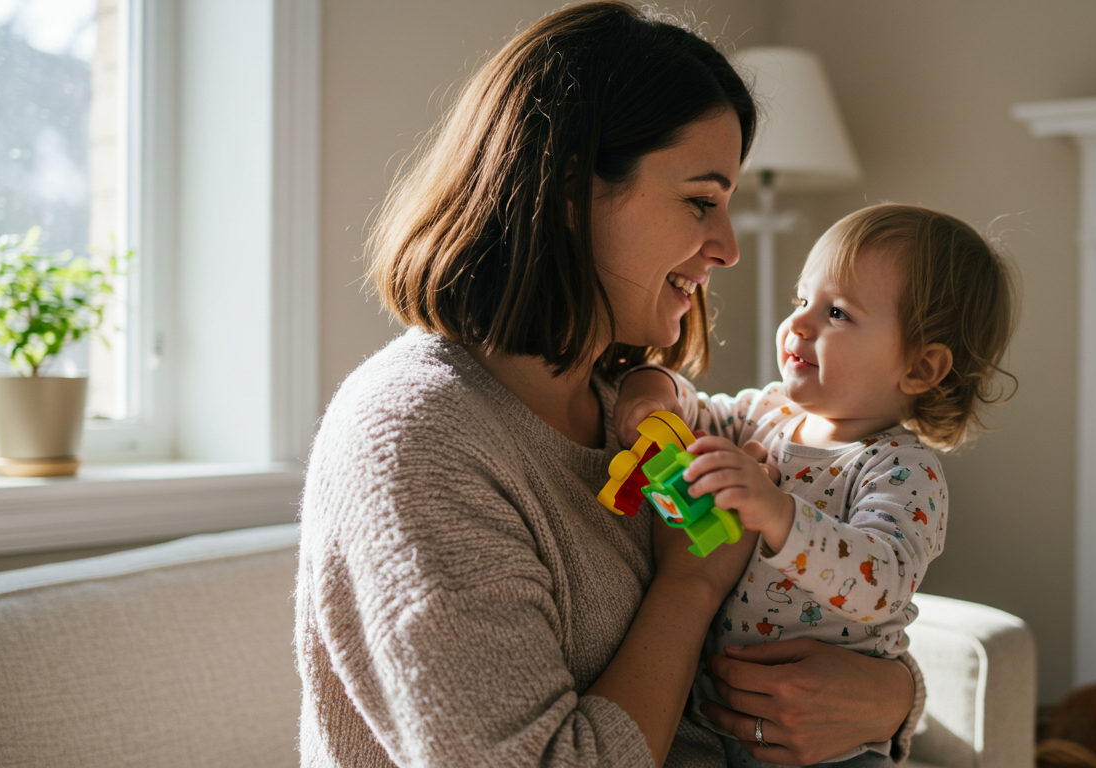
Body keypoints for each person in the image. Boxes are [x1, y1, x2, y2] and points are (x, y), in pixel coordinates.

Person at [295, 4, 923, 767]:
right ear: (566, 193)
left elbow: (809, 608)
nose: (726, 249)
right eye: (701, 200)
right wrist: (688, 587)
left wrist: (892, 698)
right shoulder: (417, 441)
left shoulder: (639, 406)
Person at [613, 203, 1017, 767]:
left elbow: (884, 583)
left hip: (834, 750)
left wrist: (779, 514)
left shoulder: (902, 470)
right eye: (802, 301)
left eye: (838, 313)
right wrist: (652, 385)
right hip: (715, 719)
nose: (799, 324)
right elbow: (694, 413)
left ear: (921, 369)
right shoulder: (764, 415)